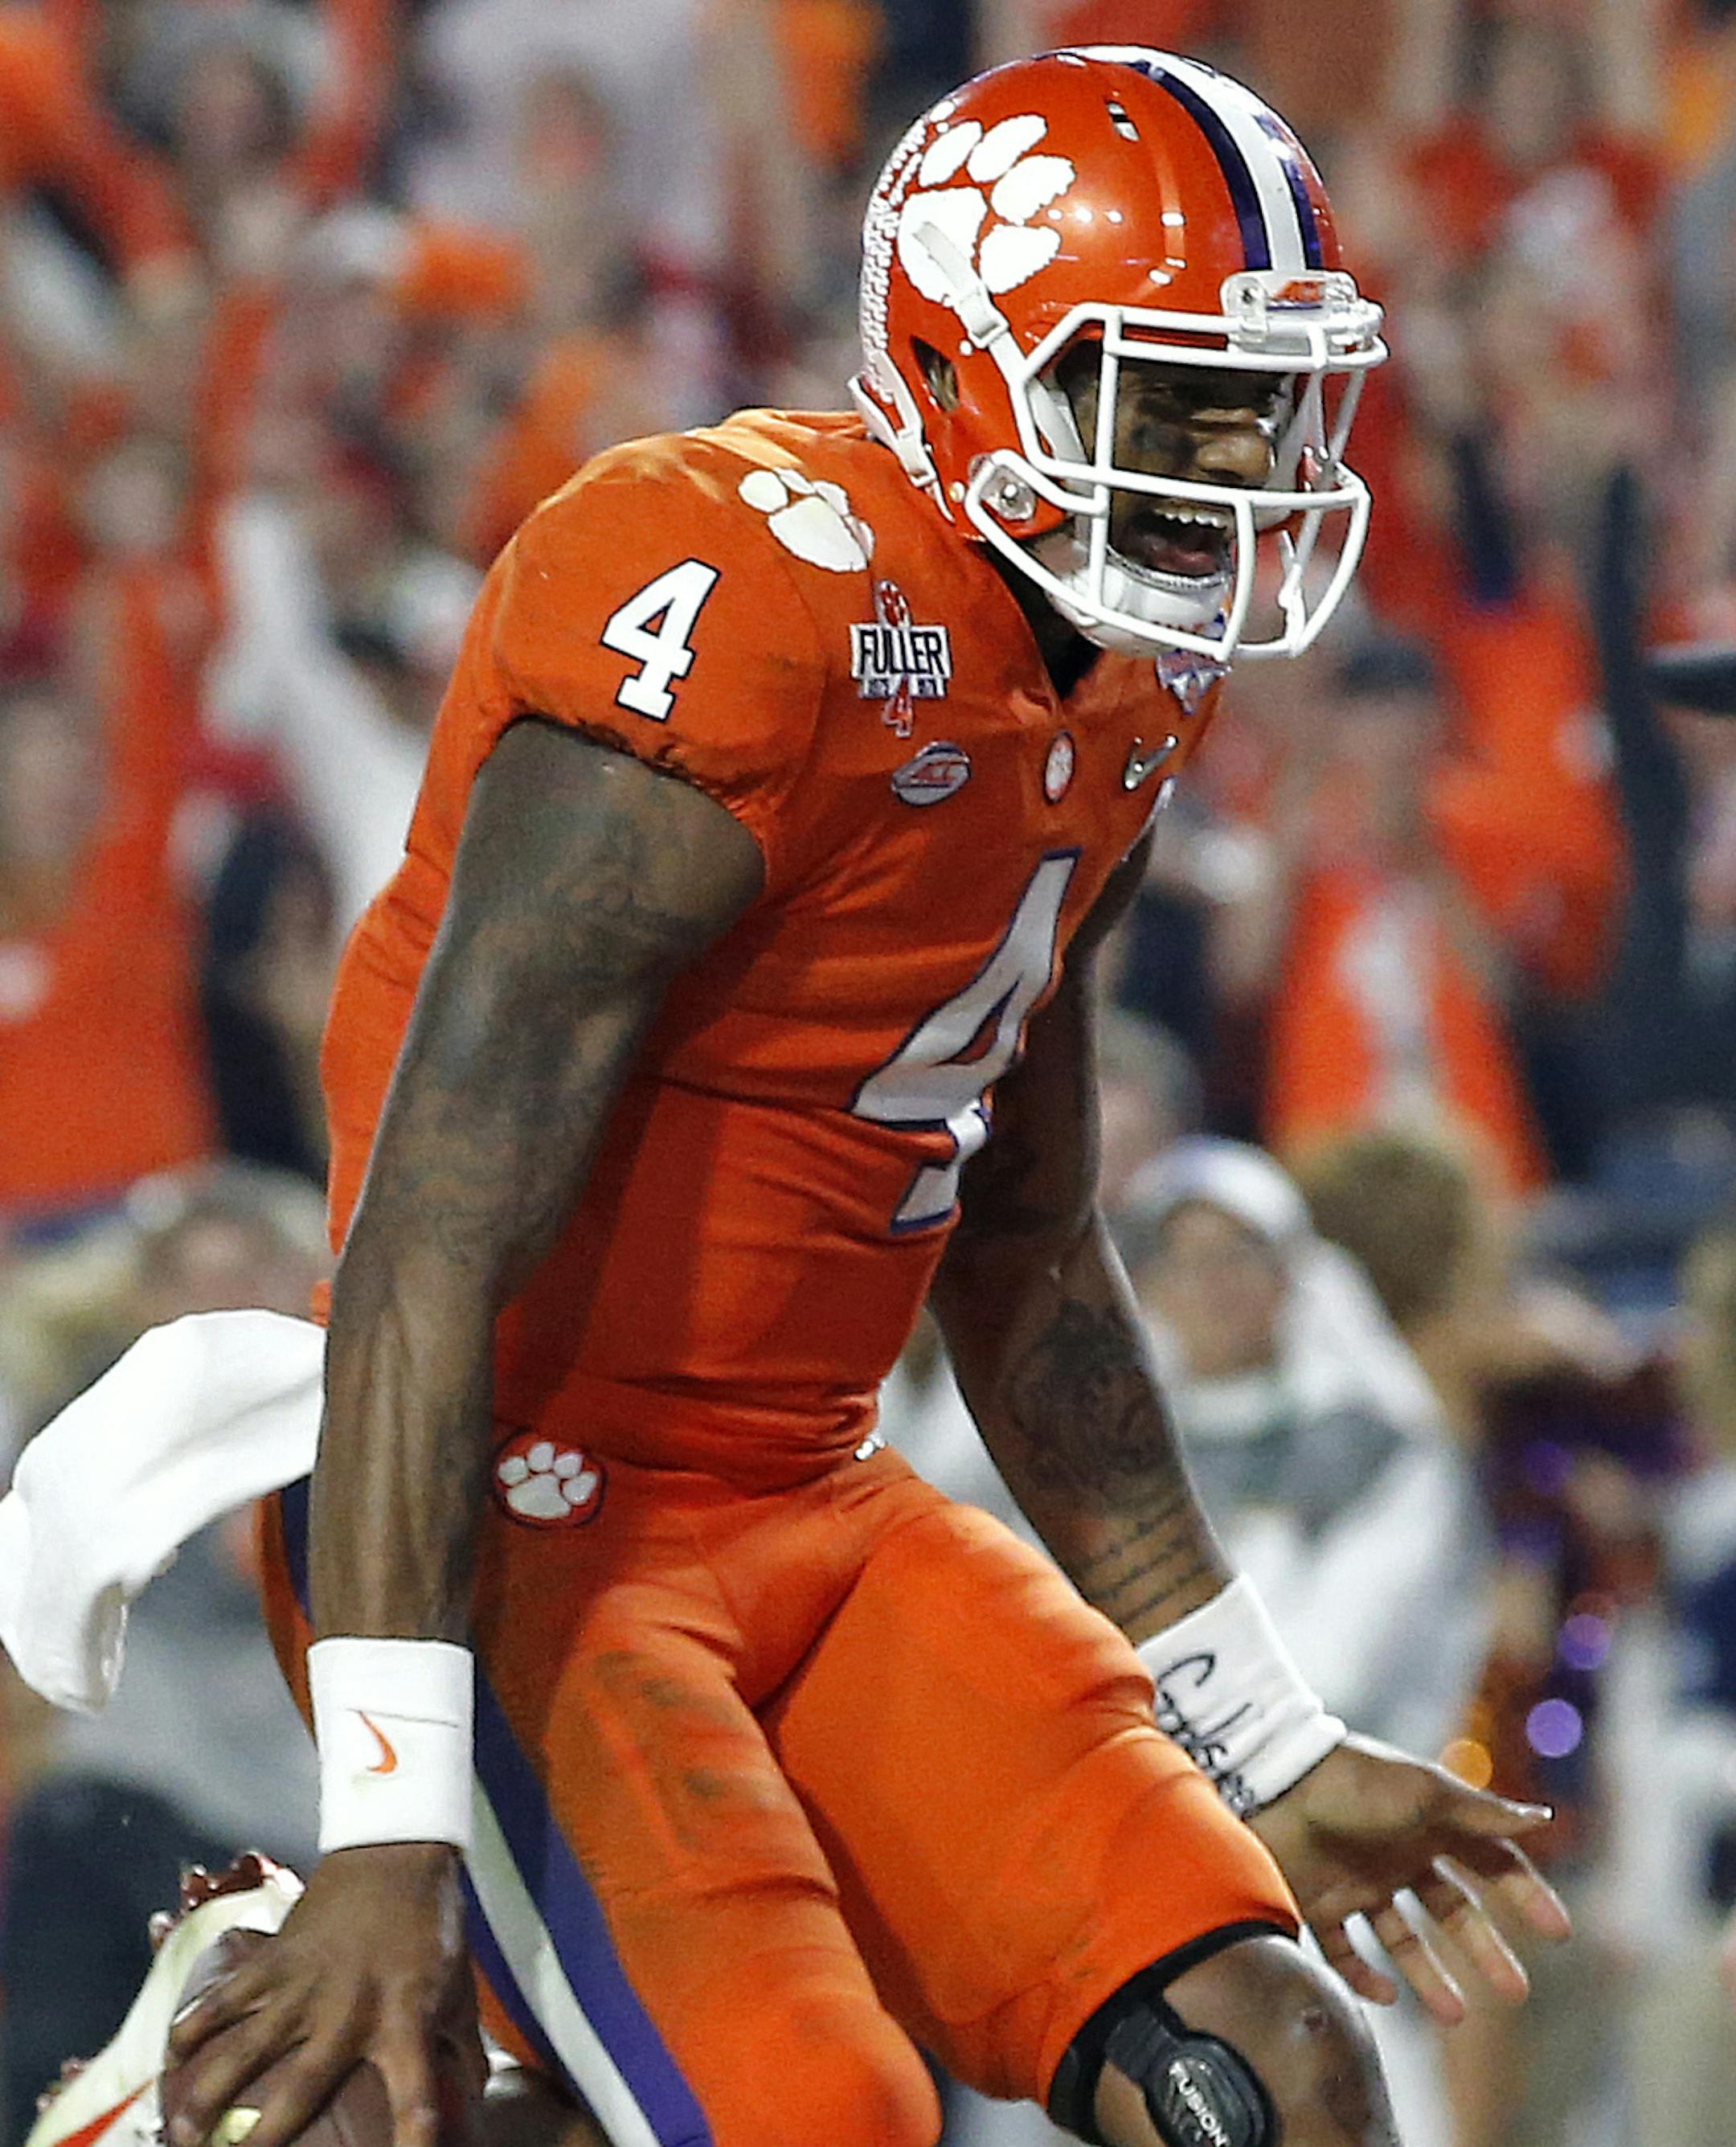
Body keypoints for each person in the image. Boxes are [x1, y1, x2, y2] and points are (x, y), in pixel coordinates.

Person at [37, 48, 1567, 2147]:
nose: (1244, 473)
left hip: (811, 1498)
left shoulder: (1124, 678)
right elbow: (432, 1223)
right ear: (968, 357)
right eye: (1180, 404)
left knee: (1278, 2079)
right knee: (814, 2124)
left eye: (1269, 406)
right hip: (518, 1520)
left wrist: (1271, 1735)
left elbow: (1022, 1243)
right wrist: (391, 1823)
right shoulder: (746, 594)